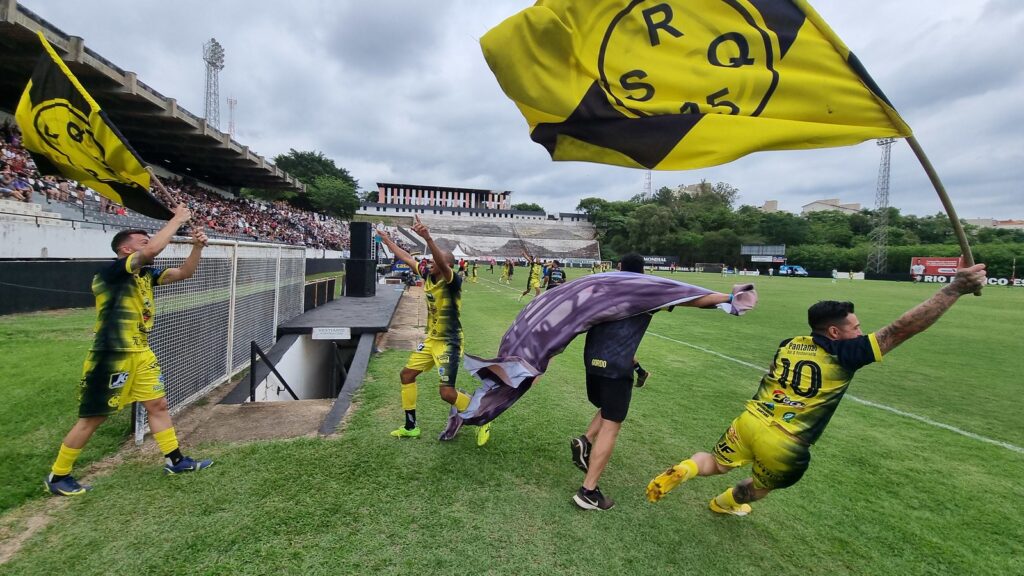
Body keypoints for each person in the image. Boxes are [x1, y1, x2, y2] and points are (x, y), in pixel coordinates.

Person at [645, 264, 988, 516]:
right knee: (761, 487)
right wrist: (953, 289)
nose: (860, 332)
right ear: (834, 333)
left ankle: (686, 469)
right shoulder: (847, 354)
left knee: (716, 463)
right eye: (855, 327)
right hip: (786, 442)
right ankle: (725, 503)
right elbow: (901, 329)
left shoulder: (789, 343)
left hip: (749, 421)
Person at [44, 206, 212, 497]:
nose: (149, 243)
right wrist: (177, 219)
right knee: (94, 416)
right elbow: (152, 251)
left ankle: (176, 461)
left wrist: (197, 247)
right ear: (126, 249)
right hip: (112, 354)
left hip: (141, 352)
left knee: (157, 405)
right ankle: (58, 476)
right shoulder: (110, 273)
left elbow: (185, 272)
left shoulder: (145, 275)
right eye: (142, 241)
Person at [569, 254, 740, 511]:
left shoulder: (603, 286)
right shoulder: (646, 291)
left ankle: (586, 440)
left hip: (591, 361)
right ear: (643, 272)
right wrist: (729, 298)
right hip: (617, 366)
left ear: (619, 268)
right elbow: (692, 298)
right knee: (611, 426)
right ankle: (588, 491)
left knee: (608, 407)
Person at [376, 216, 491, 446]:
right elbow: (406, 257)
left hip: (449, 341)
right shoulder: (427, 274)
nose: (428, 263)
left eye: (433, 261)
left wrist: (428, 238)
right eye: (428, 261)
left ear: (445, 266)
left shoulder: (451, 281)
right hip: (432, 340)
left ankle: (484, 415)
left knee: (446, 394)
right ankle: (411, 427)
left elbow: (442, 261)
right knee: (406, 375)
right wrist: (387, 240)